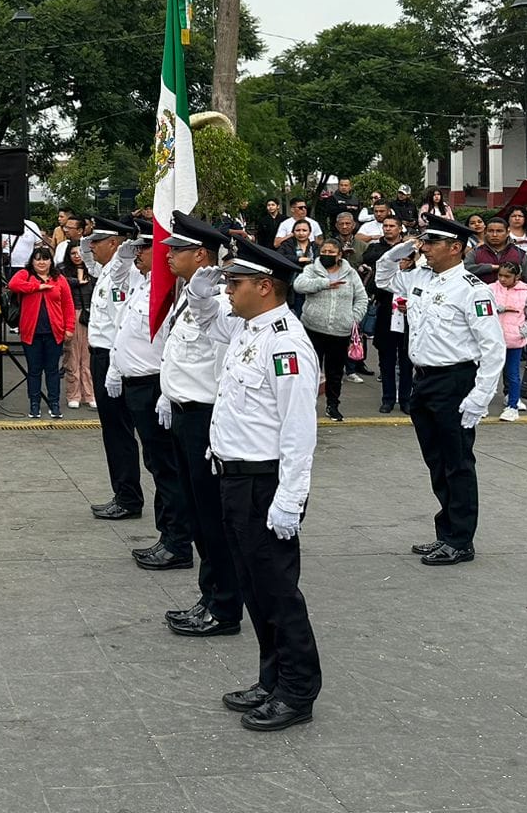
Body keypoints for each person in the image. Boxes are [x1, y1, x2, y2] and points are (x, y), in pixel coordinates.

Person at [186, 238, 322, 731]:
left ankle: (298, 690)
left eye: (235, 282)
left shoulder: (286, 341)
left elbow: (297, 428)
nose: (229, 290)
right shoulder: (249, 329)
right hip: (235, 477)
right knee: (252, 587)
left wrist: (290, 498)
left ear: (265, 287)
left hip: (265, 485)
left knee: (277, 591)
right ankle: (272, 680)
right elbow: (204, 314)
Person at [374, 214, 505, 566]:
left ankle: (460, 539)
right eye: (424, 242)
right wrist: (401, 248)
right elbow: (384, 277)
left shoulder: (471, 288)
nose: (426, 249)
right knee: (436, 461)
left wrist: (480, 396)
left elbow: (493, 347)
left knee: (457, 462)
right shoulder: (420, 277)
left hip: (456, 380)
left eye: (432, 243)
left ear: (456, 248)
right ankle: (445, 533)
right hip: (424, 379)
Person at [153, 212, 243, 639]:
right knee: (197, 511)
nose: (168, 256)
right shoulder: (189, 296)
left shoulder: (222, 304)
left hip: (206, 419)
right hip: (184, 413)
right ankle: (211, 596)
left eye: (177, 250)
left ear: (201, 254)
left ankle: (224, 605)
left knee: (212, 518)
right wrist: (168, 394)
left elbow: (223, 372)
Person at [105, 219, 194, 569]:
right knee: (156, 465)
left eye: (144, 248)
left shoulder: (171, 291)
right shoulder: (145, 284)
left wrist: (165, 390)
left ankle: (177, 541)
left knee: (166, 468)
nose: (137, 253)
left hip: (155, 385)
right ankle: (167, 535)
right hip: (137, 385)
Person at [85, 218, 143, 520]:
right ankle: (123, 491)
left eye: (97, 241)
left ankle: (128, 496)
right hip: (100, 354)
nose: (90, 246)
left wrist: (116, 369)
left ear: (114, 244)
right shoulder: (108, 271)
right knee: (112, 430)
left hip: (112, 357)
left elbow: (122, 324)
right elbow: (87, 259)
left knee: (119, 430)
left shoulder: (125, 276)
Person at [293, 239, 368, 422]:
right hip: (312, 329)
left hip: (340, 331)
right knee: (309, 371)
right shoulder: (311, 269)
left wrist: (353, 319)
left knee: (335, 372)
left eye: (331, 252)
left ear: (340, 255)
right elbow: (299, 285)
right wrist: (324, 283)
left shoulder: (350, 274)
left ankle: (332, 405)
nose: (327, 254)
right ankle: (307, 406)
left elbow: (362, 298)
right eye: (324, 251)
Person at [7, 244, 76, 420]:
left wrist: (69, 328)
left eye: (45, 258)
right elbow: (13, 284)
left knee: (52, 370)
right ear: (32, 261)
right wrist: (38, 287)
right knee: (34, 370)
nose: (41, 262)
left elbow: (68, 305)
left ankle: (54, 403)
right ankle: (34, 403)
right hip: (31, 332)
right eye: (37, 259)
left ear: (51, 261)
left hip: (54, 332)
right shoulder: (26, 275)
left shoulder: (59, 278)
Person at [363, 215, 414, 415]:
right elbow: (377, 283)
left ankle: (406, 399)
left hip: (408, 320)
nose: (401, 263)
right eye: (385, 225)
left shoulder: (417, 276)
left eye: (405, 260)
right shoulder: (385, 265)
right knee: (386, 359)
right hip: (386, 315)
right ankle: (388, 398)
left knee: (406, 360)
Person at [489, 260, 527, 421]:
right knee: (488, 374)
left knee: (513, 375)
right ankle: (481, 405)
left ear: (517, 277)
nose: (502, 279)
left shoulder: (524, 292)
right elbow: (483, 310)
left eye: (507, 276)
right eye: (500, 275)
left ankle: (513, 405)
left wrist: (521, 332)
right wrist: (501, 308)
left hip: (513, 341)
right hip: (491, 340)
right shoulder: (490, 289)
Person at [61, 243, 95, 410]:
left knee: (88, 358)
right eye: (73, 253)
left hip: (90, 314)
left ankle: (90, 394)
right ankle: (73, 394)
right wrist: (77, 281)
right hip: (71, 314)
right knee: (72, 357)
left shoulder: (94, 270)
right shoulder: (63, 271)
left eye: (80, 252)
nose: (77, 256)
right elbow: (59, 284)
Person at [471, 217, 527, 284]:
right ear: (485, 232)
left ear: (507, 232)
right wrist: (489, 267)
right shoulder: (476, 252)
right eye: (491, 231)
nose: (494, 235)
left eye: (499, 231)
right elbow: (465, 270)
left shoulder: (520, 254)